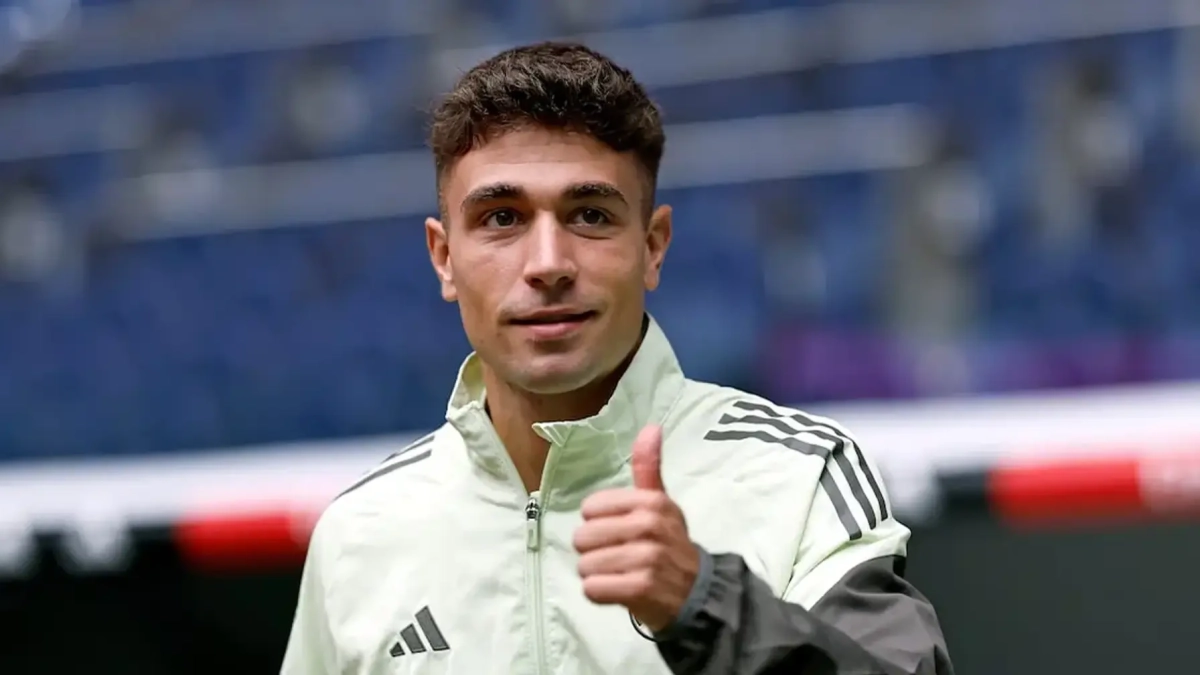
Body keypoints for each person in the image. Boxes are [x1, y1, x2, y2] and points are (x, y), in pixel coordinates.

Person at [281, 42, 953, 675]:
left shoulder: (801, 475)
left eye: (591, 215)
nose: (547, 264)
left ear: (653, 245)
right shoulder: (358, 534)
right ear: (444, 256)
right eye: (502, 218)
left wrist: (707, 606)